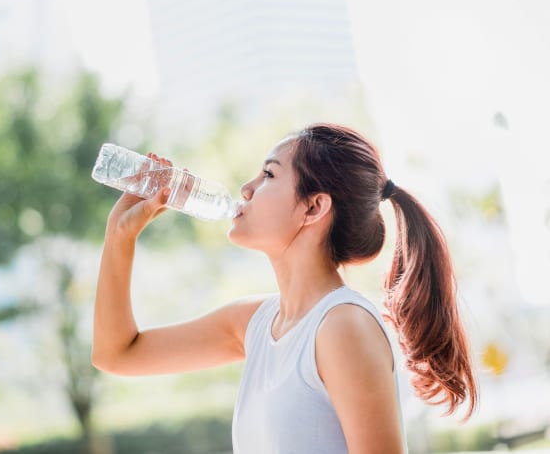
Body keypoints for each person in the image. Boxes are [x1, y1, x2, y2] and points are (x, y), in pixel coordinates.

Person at [92, 123, 478, 453]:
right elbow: (117, 354)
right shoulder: (254, 324)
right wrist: (119, 235)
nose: (246, 188)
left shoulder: (343, 327)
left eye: (269, 175)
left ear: (313, 207)